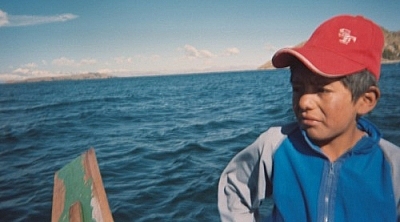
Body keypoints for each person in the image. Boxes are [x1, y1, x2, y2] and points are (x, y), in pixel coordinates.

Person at [218, 14, 400, 222]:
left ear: (365, 100)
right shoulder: (274, 146)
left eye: (322, 90)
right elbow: (236, 186)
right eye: (298, 88)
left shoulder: (393, 166)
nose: (304, 101)